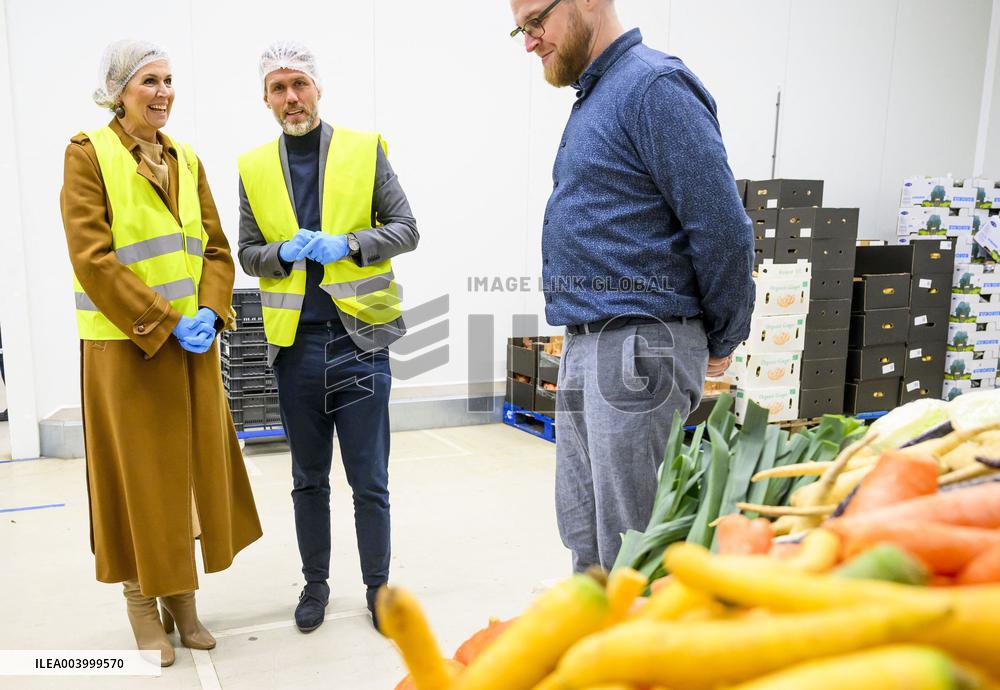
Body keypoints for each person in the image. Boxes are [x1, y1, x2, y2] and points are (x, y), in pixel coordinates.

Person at [508, 0, 755, 571]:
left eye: (536, 22)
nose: (529, 41)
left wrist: (722, 337)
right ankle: (597, 647)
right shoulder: (599, 96)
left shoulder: (654, 87)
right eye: (519, 29)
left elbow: (721, 227)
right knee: (583, 526)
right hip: (588, 339)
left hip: (641, 342)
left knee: (632, 541)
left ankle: (643, 655)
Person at [60, 40, 263, 666]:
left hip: (188, 346)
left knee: (189, 476)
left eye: (169, 80)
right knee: (138, 479)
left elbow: (215, 249)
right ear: (119, 91)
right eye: (149, 81)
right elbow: (92, 257)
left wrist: (208, 310)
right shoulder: (87, 155)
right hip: (125, 347)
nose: (163, 92)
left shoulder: (186, 156)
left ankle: (181, 597)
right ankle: (141, 603)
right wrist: (163, 321)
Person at [237, 41, 418, 633]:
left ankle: (378, 590)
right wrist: (279, 253)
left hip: (359, 342)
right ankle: (314, 586)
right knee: (307, 480)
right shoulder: (253, 167)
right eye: (278, 88)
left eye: (300, 85)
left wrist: (352, 244)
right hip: (294, 348)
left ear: (318, 89)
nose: (291, 98)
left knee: (370, 481)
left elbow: (406, 228)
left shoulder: (366, 150)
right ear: (265, 98)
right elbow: (246, 253)